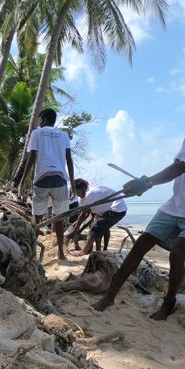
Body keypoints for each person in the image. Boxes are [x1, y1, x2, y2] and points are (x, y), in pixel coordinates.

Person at [92, 82, 185, 320]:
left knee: (178, 254)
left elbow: (181, 167)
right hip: (176, 205)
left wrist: (146, 183)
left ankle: (168, 303)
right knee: (139, 246)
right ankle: (110, 296)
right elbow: (176, 165)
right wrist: (144, 183)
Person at [18, 108, 75, 260]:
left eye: (40, 120)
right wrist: (73, 186)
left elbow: (31, 158)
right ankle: (61, 253)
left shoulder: (36, 133)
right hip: (60, 180)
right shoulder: (63, 135)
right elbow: (69, 159)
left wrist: (22, 181)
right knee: (59, 218)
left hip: (42, 179)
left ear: (43, 120)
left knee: (36, 218)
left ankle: (33, 253)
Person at [68, 179, 127, 255]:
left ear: (83, 188)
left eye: (78, 192)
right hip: (107, 209)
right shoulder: (82, 198)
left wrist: (76, 231)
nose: (78, 195)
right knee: (96, 229)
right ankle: (93, 251)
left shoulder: (90, 194)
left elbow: (84, 215)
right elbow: (84, 216)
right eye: (76, 193)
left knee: (95, 227)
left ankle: (84, 252)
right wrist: (75, 231)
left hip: (117, 208)